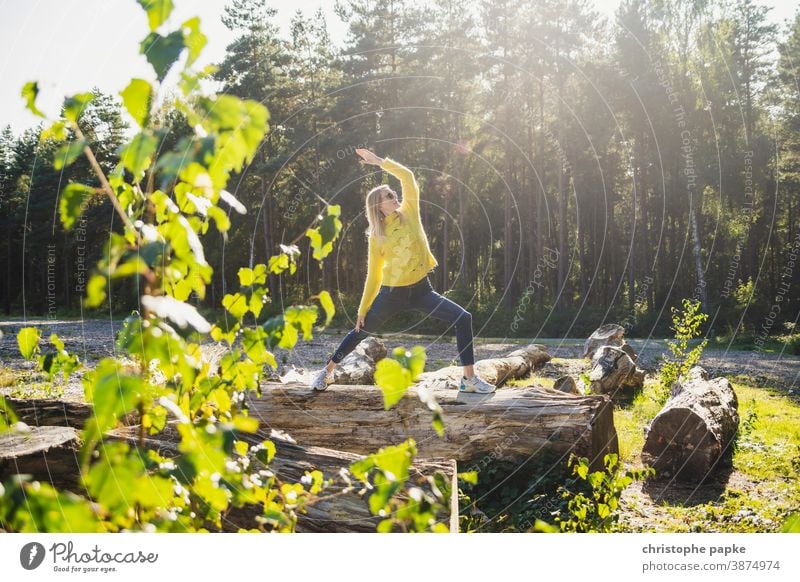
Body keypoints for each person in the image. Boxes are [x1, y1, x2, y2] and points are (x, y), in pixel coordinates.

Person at [310, 148, 495, 394]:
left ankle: (469, 379)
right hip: (391, 294)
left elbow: (407, 177)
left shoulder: (409, 213)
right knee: (359, 332)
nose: (394, 196)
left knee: (464, 318)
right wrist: (362, 309)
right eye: (389, 195)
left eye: (393, 193)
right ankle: (328, 371)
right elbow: (373, 275)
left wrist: (379, 162)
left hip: (421, 290)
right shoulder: (377, 236)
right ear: (379, 205)